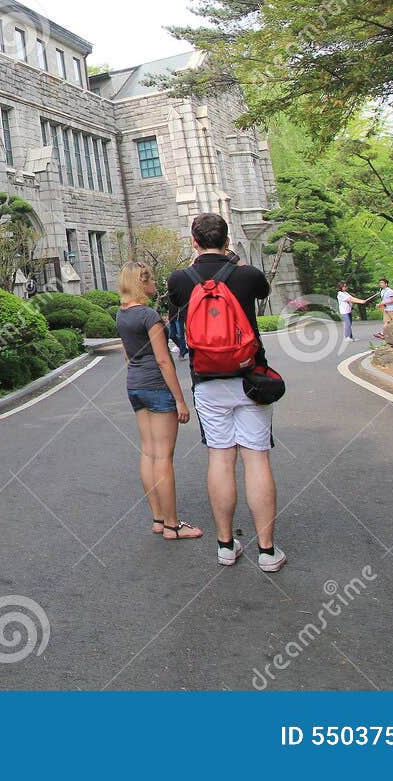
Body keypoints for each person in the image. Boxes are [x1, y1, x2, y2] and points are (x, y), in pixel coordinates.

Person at [168, 213, 285, 572]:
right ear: (227, 238)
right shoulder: (247, 275)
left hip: (207, 381)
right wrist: (236, 262)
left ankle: (224, 544)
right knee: (256, 458)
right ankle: (266, 551)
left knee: (221, 458)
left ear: (193, 241)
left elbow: (175, 315)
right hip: (251, 378)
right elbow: (262, 293)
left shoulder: (180, 279)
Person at [116, 263, 202, 541]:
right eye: (152, 279)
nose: (156, 284)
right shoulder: (148, 315)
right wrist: (180, 401)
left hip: (135, 385)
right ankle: (173, 526)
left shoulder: (122, 313)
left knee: (148, 452)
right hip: (157, 386)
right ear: (143, 283)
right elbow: (164, 360)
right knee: (164, 456)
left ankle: (158, 519)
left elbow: (128, 355)